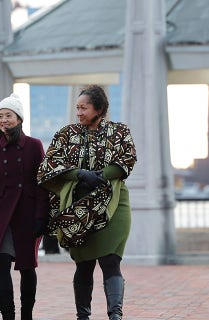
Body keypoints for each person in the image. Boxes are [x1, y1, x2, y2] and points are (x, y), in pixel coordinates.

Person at [37, 85, 137, 320]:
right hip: (78, 209)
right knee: (84, 265)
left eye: (84, 108)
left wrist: (102, 176)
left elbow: (128, 158)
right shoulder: (66, 133)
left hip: (113, 204)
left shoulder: (119, 131)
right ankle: (83, 316)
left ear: (99, 108)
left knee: (111, 259)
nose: (79, 113)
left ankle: (115, 315)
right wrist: (79, 174)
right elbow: (46, 167)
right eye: (77, 108)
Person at [0, 93, 50, 320]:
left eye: (8, 115)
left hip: (27, 214)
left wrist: (42, 217)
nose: (3, 120)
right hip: (1, 216)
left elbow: (42, 184)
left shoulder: (34, 145)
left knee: (27, 267)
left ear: (19, 118)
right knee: (2, 264)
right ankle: (7, 316)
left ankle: (26, 315)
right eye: (0, 116)